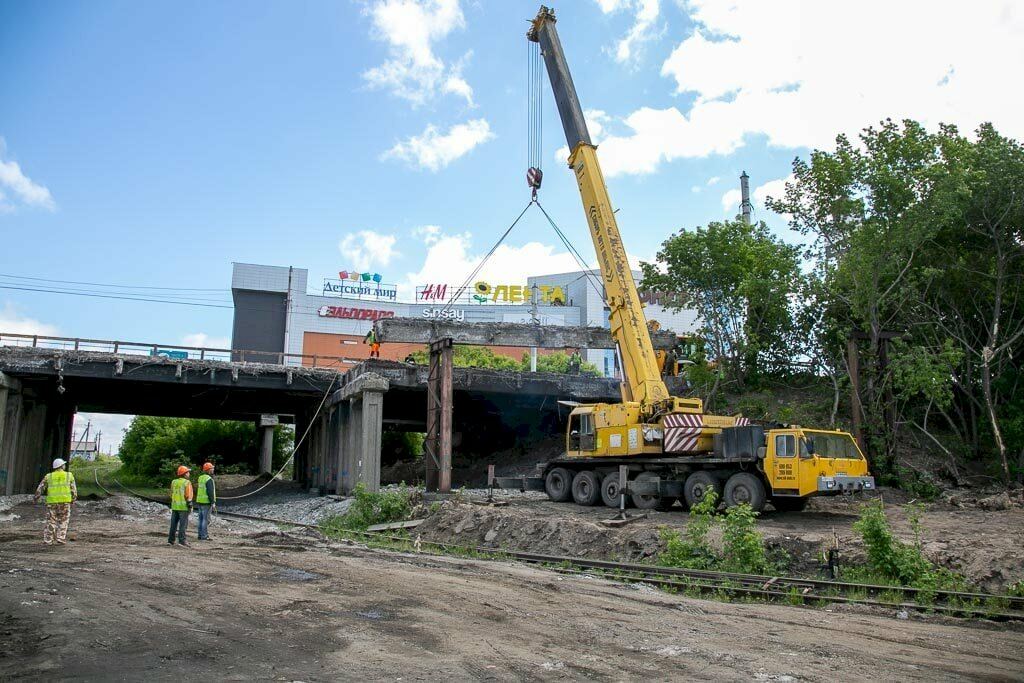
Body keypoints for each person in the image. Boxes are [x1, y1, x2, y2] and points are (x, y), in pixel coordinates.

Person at [33, 458, 77, 546]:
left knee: (51, 521)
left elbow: (40, 488)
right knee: (64, 520)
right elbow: (73, 489)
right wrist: (73, 499)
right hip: (65, 502)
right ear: (62, 466)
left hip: (52, 502)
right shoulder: (69, 475)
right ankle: (61, 538)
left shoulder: (49, 476)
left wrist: (36, 498)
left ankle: (48, 540)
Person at [168, 465, 193, 547]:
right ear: (185, 474)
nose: (189, 474)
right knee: (183, 525)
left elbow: (171, 494)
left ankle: (170, 541)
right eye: (188, 472)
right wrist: (190, 506)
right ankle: (182, 541)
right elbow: (188, 496)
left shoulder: (174, 482)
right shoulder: (187, 483)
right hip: (183, 507)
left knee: (173, 524)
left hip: (175, 506)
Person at [195, 462, 216, 541]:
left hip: (200, 501)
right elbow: (210, 492)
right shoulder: (209, 479)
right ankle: (204, 536)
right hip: (206, 502)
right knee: (205, 520)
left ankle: (200, 535)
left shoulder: (200, 478)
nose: (213, 469)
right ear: (208, 470)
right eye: (212, 468)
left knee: (200, 519)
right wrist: (213, 502)